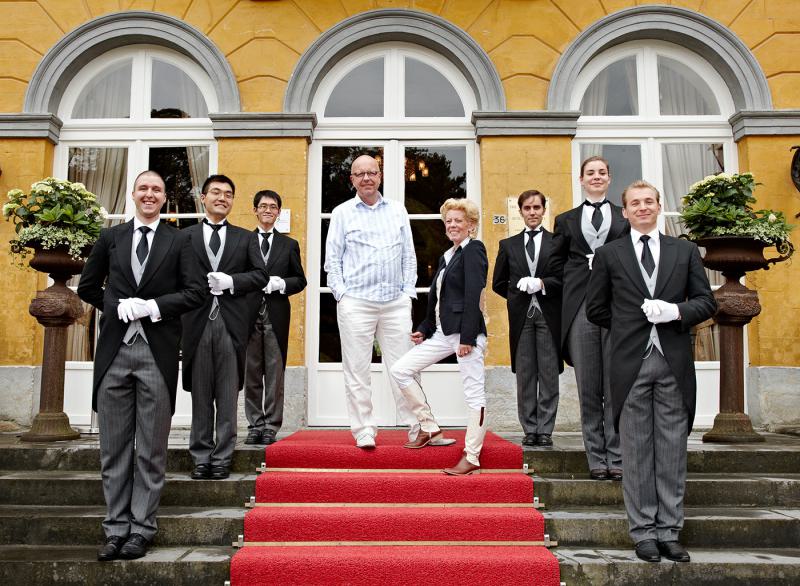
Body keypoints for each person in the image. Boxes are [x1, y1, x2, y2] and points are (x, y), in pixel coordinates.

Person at [586, 180, 716, 564]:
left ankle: (670, 532)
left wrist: (675, 312)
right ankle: (643, 532)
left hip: (673, 361)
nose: (642, 207)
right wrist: (630, 327)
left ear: (659, 206)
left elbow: (706, 302)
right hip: (631, 364)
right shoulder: (609, 254)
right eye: (635, 203)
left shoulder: (684, 250)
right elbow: (596, 309)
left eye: (649, 201)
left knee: (672, 450)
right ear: (625, 211)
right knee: (636, 451)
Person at [78, 170, 204, 561]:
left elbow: (195, 292)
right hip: (114, 354)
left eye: (157, 190)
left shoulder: (179, 240)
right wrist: (115, 306)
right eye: (143, 188)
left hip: (156, 354)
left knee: (150, 450)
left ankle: (141, 530)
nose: (150, 194)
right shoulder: (110, 237)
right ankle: (115, 528)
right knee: (113, 450)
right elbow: (88, 287)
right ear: (132, 194)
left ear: (164, 198)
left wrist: (153, 307)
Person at [324, 154, 419, 448]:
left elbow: (409, 255)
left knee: (405, 366)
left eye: (372, 172)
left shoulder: (398, 210)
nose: (366, 178)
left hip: (395, 302)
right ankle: (364, 429)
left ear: (380, 176)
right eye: (360, 173)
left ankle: (417, 425)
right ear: (352, 179)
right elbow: (332, 259)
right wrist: (341, 294)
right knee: (357, 369)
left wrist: (408, 292)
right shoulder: (341, 213)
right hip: (356, 302)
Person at [390, 198, 489, 476]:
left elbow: (474, 294)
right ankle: (429, 426)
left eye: (459, 221)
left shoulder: (474, 250)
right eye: (449, 221)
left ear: (471, 225)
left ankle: (472, 456)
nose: (452, 225)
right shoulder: (447, 256)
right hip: (444, 333)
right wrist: (425, 327)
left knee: (474, 394)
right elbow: (437, 298)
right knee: (400, 370)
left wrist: (468, 337)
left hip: (466, 334)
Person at [181, 175, 268, 480]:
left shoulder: (245, 238)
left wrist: (232, 281)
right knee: (201, 394)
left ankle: (222, 457)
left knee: (228, 395)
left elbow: (260, 276)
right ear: (203, 198)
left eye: (228, 194)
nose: (222, 198)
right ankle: (200, 456)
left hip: (231, 326)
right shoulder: (184, 237)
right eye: (216, 192)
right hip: (196, 324)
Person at [553, 156, 628, 481]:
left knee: (614, 384)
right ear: (581, 179)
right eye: (590, 173)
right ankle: (596, 457)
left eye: (602, 172)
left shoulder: (623, 217)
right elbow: (555, 264)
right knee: (588, 386)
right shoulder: (565, 220)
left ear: (609, 178)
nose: (596, 177)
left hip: (615, 307)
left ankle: (617, 455)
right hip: (580, 307)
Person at [492, 190, 565, 448]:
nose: (532, 212)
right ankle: (529, 428)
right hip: (522, 315)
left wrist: (542, 284)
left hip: (548, 315)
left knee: (548, 373)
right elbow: (498, 283)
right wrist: (518, 295)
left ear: (544, 210)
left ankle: (545, 430)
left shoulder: (557, 242)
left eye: (537, 207)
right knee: (525, 374)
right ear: (521, 211)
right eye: (527, 208)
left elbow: (564, 279)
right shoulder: (508, 245)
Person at [243, 190, 307, 445]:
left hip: (276, 317)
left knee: (275, 374)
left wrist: (281, 284)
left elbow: (300, 280)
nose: (268, 210)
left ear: (279, 212)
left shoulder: (289, 245)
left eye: (273, 207)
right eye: (263, 206)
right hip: (248, 316)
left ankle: (271, 425)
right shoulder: (244, 241)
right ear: (255, 210)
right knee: (251, 374)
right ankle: (254, 425)